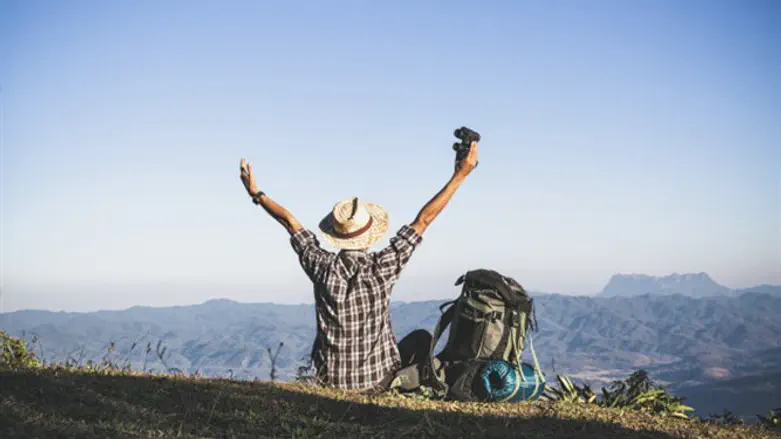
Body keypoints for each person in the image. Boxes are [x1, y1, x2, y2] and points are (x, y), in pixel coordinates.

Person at [238, 139, 479, 390]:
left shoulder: (320, 266)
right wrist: (460, 175)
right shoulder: (383, 266)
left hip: (330, 381)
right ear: (370, 233)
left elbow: (289, 222)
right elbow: (424, 220)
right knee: (422, 339)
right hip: (378, 381)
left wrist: (256, 193)